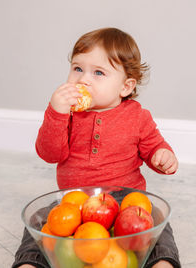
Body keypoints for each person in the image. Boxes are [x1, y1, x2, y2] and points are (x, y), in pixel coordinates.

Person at [12, 28, 181, 268]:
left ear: (125, 86)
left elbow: (154, 146)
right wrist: (56, 113)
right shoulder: (66, 114)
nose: (83, 79)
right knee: (42, 222)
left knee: (156, 223)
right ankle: (30, 262)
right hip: (74, 200)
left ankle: (162, 262)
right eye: (77, 68)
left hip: (127, 199)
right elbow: (49, 154)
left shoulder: (137, 116)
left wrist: (162, 156)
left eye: (98, 72)